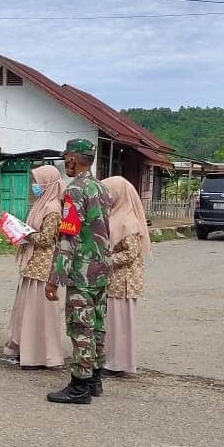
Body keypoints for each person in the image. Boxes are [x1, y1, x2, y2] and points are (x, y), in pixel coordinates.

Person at [45, 139, 112, 404]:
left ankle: (80, 387)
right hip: (101, 268)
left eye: (65, 157)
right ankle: (95, 379)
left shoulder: (74, 191)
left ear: (73, 158)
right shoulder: (102, 188)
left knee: (80, 327)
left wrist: (54, 278)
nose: (65, 162)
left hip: (81, 273)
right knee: (97, 325)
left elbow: (68, 236)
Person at [3, 165, 67, 368]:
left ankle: (42, 355)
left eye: (38, 182)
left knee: (40, 312)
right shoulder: (42, 204)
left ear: (47, 184)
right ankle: (28, 351)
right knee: (28, 310)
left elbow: (48, 239)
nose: (34, 186)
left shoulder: (53, 208)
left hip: (43, 266)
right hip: (33, 264)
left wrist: (25, 233)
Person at [100, 176, 151, 376]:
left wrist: (106, 260)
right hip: (115, 280)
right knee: (113, 323)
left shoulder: (128, 221)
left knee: (120, 324)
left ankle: (117, 363)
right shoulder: (116, 216)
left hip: (124, 282)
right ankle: (112, 360)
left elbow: (131, 253)